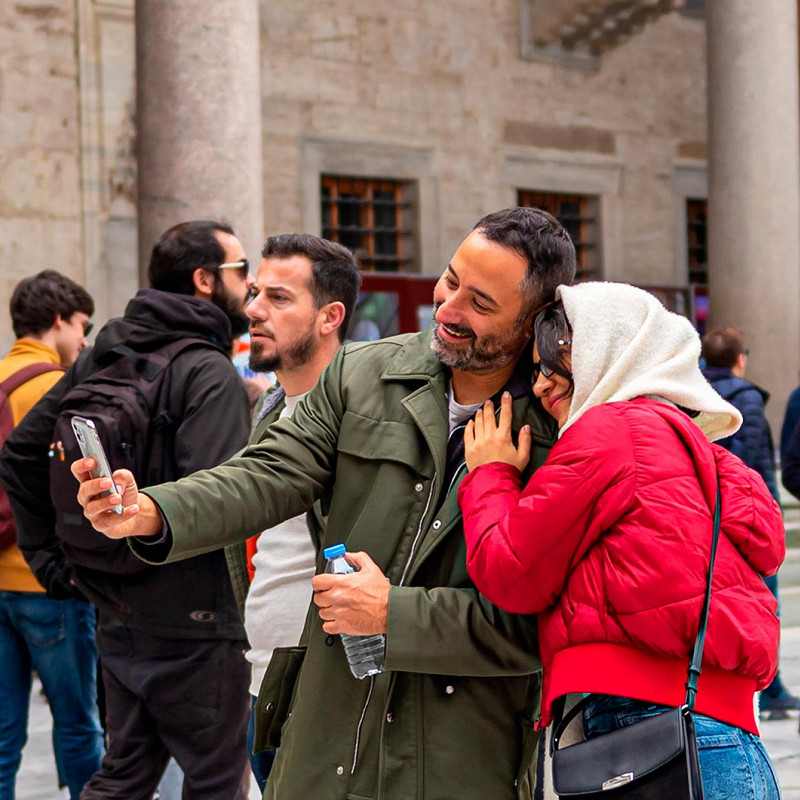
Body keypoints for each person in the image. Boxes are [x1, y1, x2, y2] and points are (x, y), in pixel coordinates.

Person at [72, 207, 577, 800]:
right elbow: (267, 473)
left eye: (481, 303)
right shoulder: (361, 374)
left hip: (463, 756)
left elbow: (547, 627)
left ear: (535, 319)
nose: (448, 308)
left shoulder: (564, 427)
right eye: (449, 279)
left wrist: (396, 615)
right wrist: (153, 511)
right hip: (327, 738)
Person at [458, 283, 783, 800]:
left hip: (644, 730)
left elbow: (510, 571)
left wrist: (491, 474)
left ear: (610, 346)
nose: (541, 386)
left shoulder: (612, 432)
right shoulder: (701, 451)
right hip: (723, 736)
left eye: (553, 361)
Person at [1, 220, 253, 800]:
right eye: (240, 270)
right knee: (215, 783)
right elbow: (216, 501)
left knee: (123, 777)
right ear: (205, 280)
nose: (250, 284)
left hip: (116, 609)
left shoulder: (103, 355)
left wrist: (54, 564)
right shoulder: (208, 372)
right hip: (199, 626)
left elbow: (18, 455)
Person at [229, 233, 360, 791]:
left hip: (327, 684)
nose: (253, 309)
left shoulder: (362, 413)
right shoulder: (272, 408)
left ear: (330, 316)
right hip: (266, 676)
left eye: (278, 298)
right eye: (255, 292)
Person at [0, 270, 102, 800]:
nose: (84, 339)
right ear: (59, 320)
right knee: (78, 724)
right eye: (82, 325)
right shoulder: (56, 389)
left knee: (2, 736)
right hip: (46, 585)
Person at [701, 325, 800, 717]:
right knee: (765, 604)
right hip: (749, 520)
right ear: (740, 359)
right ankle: (769, 687)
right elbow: (747, 464)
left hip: (710, 518)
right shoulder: (747, 401)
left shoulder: (694, 396)